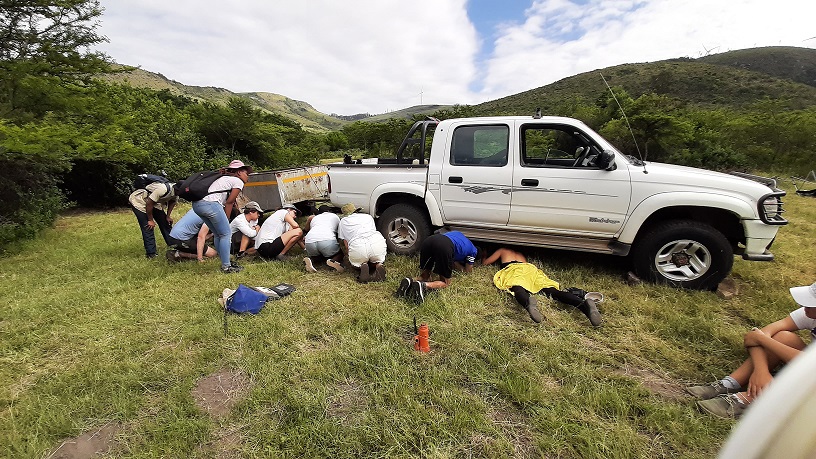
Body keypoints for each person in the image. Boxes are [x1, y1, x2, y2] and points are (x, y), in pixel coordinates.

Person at [688, 281, 816, 419]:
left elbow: (809, 363)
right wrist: (761, 371)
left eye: (810, 303)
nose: (803, 306)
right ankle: (730, 383)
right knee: (783, 337)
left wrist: (761, 339)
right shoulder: (808, 313)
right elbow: (753, 337)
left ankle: (750, 399)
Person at [480, 247, 602, 326]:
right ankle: (584, 305)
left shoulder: (502, 250)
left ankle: (528, 303)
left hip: (514, 269)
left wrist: (485, 254)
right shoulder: (521, 253)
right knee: (552, 291)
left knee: (517, 287)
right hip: (530, 269)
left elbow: (485, 263)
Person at [191, 160, 251, 273]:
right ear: (239, 173)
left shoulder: (222, 178)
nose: (248, 176)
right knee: (226, 233)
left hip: (197, 205)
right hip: (211, 205)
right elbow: (229, 202)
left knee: (219, 234)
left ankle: (225, 260)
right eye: (246, 173)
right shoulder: (237, 181)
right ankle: (226, 266)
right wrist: (227, 219)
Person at [395, 229, 478, 302]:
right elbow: (467, 271)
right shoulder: (473, 251)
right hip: (444, 246)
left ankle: (410, 281)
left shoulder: (458, 234)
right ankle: (424, 285)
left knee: (425, 277)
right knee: (445, 283)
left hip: (429, 240)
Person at [336, 203, 387, 282]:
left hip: (357, 244)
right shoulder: (368, 216)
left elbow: (345, 242)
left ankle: (362, 266)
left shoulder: (343, 221)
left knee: (356, 262)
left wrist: (348, 254)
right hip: (376, 240)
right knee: (377, 259)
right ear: (356, 210)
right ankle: (378, 265)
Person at [129, 178, 177, 258]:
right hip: (139, 200)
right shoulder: (162, 189)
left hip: (153, 201)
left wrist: (168, 216)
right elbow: (149, 204)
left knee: (165, 222)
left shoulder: (178, 191)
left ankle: (173, 245)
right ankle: (151, 254)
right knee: (148, 226)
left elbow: (172, 202)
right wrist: (150, 220)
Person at [302, 205, 344, 273]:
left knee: (318, 255)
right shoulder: (335, 216)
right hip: (327, 240)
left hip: (309, 241)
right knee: (340, 253)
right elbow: (338, 233)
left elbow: (308, 230)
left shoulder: (315, 218)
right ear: (330, 211)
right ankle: (333, 260)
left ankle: (311, 260)